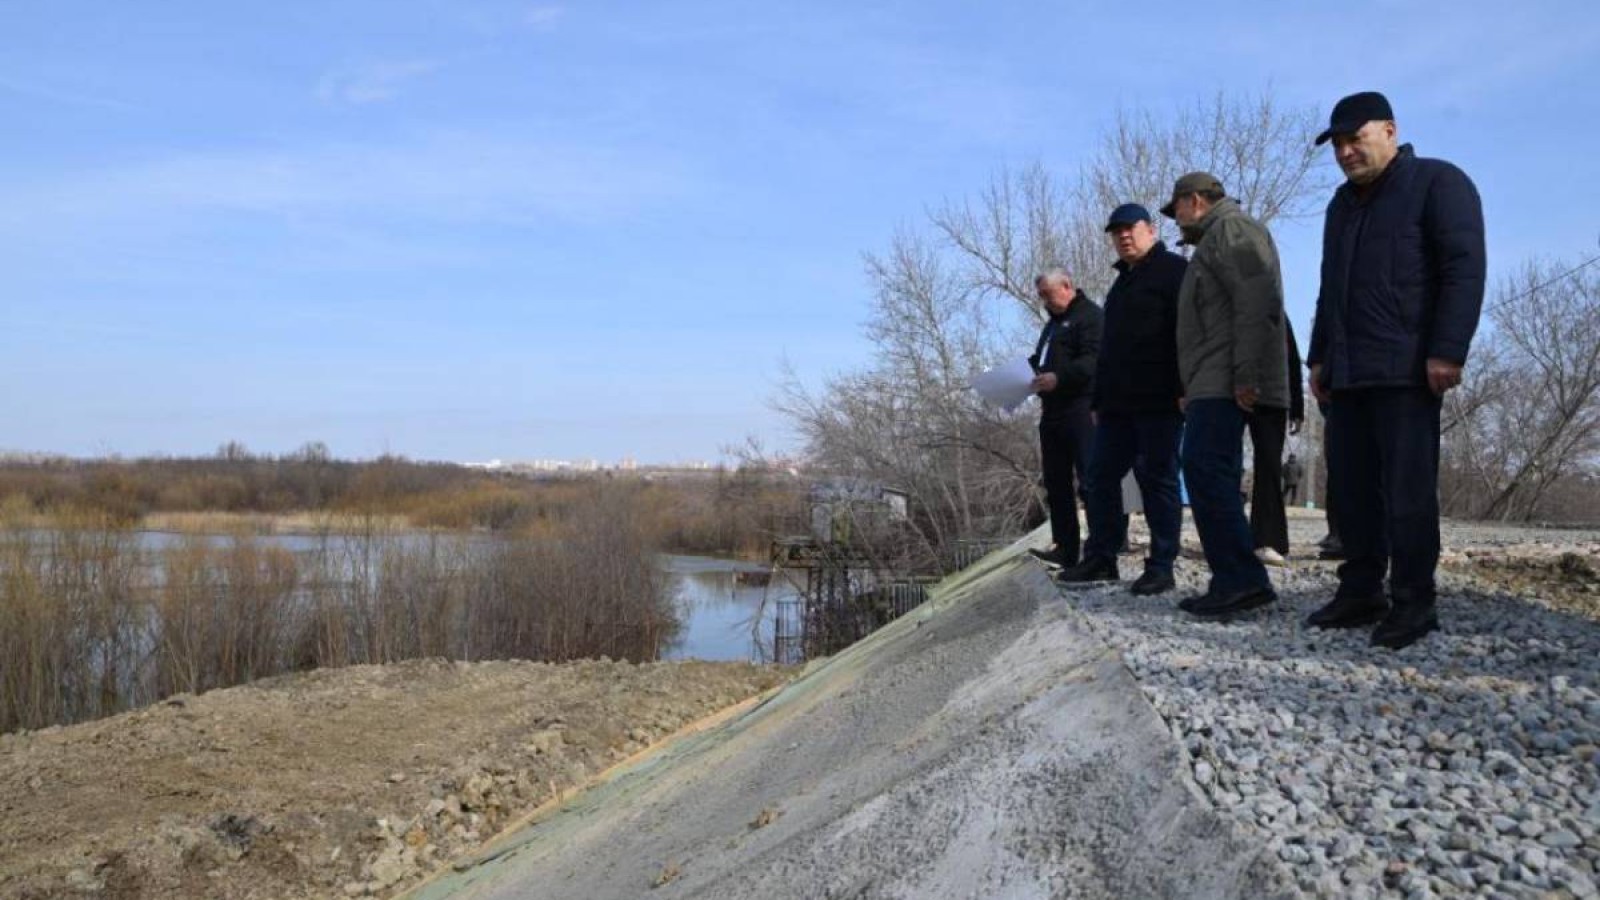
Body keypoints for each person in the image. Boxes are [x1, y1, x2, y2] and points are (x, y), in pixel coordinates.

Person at [1304, 91, 1485, 649]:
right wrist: (1318, 356)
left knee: (1406, 494)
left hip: (1407, 369)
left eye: (1355, 138)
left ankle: (1413, 602)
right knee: (1352, 492)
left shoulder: (1437, 182)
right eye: (1337, 144)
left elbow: (1463, 267)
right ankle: (1360, 590)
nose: (1345, 152)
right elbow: (1331, 286)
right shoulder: (1341, 205)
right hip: (1348, 373)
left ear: (1389, 129)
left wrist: (1448, 349)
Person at [1161, 172, 1288, 618]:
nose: (1175, 219)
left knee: (1205, 469)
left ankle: (1241, 580)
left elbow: (1256, 301)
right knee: (1210, 472)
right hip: (1211, 379)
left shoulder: (1233, 231)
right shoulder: (1216, 238)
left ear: (1195, 200)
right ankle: (1235, 579)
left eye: (1175, 208)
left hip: (1225, 378)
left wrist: (1246, 374)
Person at [1058, 204, 1187, 595]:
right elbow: (1109, 351)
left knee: (1158, 479)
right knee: (1098, 477)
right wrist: (1098, 399)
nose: (1123, 237)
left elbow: (1188, 333)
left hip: (1161, 398)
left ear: (1150, 229)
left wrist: (1185, 386)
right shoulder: (1120, 286)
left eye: (1130, 229)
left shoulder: (1174, 273)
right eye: (1116, 233)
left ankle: (1161, 565)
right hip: (1115, 404)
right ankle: (1101, 557)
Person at [1026, 268, 1102, 569]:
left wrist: (1061, 378)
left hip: (1081, 407)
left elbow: (1094, 360)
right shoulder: (1052, 326)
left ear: (1067, 286)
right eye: (1041, 296)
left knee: (1090, 480)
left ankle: (1099, 551)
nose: (1045, 301)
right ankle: (1065, 546)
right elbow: (1041, 360)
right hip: (1052, 411)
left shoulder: (1090, 317)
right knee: (1056, 481)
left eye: (1048, 294)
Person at [1247, 321, 1305, 566]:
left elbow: (1291, 357)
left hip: (1271, 396)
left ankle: (1269, 539)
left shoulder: (1277, 313)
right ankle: (1239, 538)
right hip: (1238, 392)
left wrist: (1297, 407)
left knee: (1269, 469)